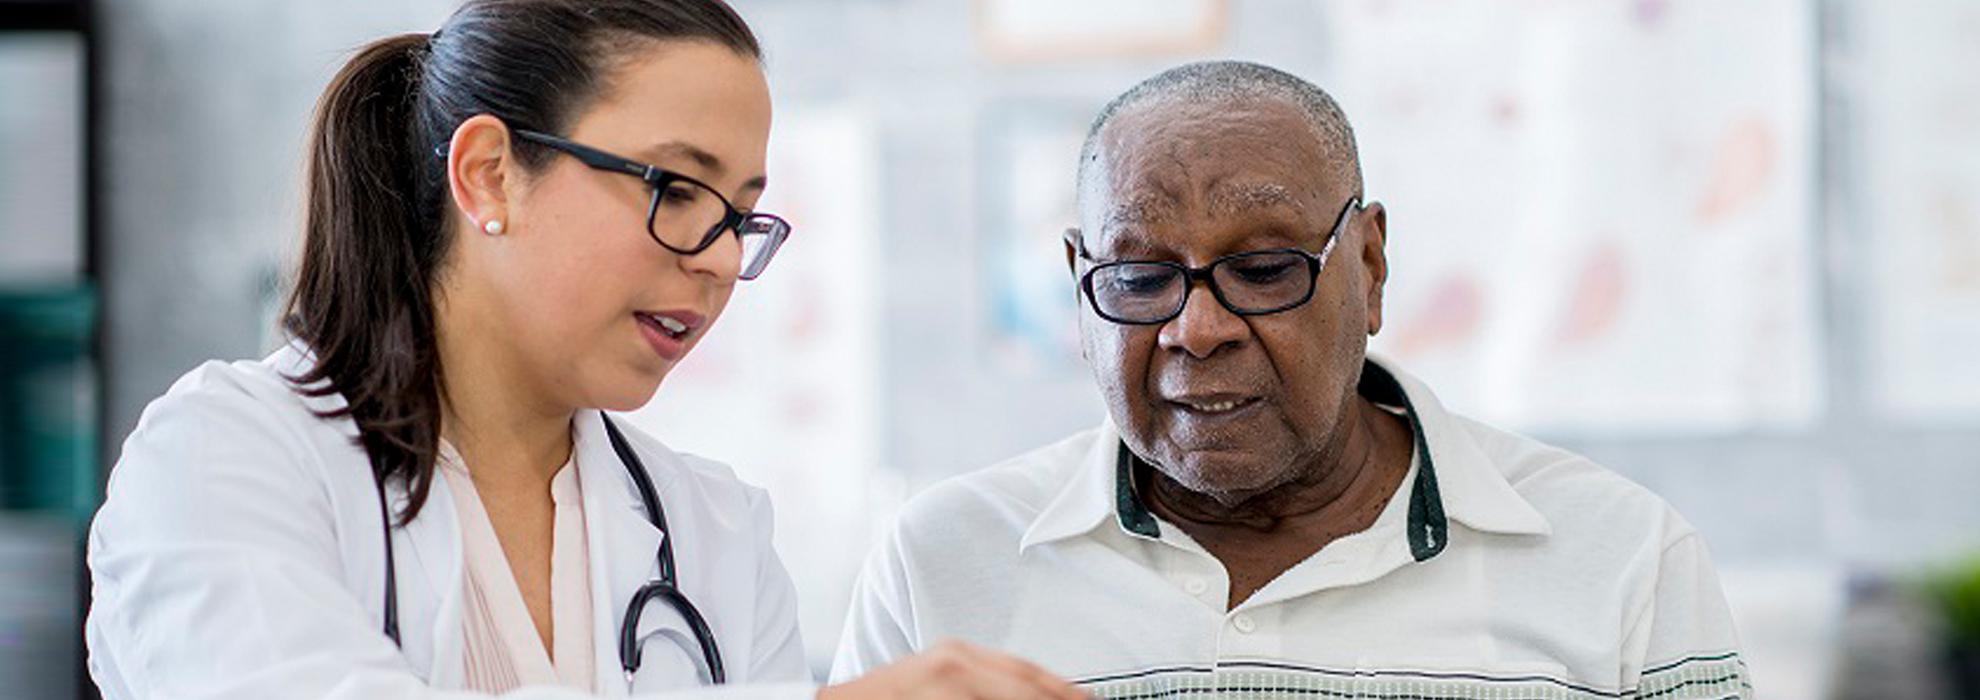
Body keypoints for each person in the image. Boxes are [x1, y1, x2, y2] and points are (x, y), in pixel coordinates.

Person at [83, 2, 1083, 699]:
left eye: (744, 215)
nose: (724, 259)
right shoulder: (227, 454)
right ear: (488, 176)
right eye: (676, 190)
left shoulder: (712, 530)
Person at [833, 60, 1751, 699]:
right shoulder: (942, 567)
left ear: (1372, 264)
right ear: (1080, 287)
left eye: (1266, 270)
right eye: (1140, 278)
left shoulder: (1620, 559)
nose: (1197, 329)